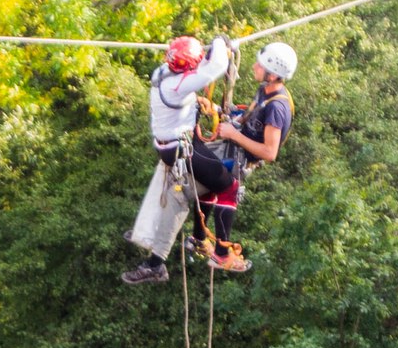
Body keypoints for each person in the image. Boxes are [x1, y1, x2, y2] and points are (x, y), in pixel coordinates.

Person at [123, 33, 234, 285]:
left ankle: (186, 239)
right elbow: (215, 67)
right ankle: (196, 239)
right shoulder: (176, 85)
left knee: (202, 186)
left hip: (175, 147)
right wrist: (219, 42)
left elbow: (197, 72)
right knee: (225, 182)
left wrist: (210, 107)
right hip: (182, 150)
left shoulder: (164, 74)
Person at [190, 41, 294, 274]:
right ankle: (198, 239)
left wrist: (235, 135)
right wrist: (225, 116)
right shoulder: (265, 90)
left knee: (227, 188)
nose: (255, 66)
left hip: (242, 156)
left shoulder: (277, 107)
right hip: (235, 143)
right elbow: (249, 116)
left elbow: (270, 152)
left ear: (273, 74)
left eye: (261, 64)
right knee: (207, 182)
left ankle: (221, 253)